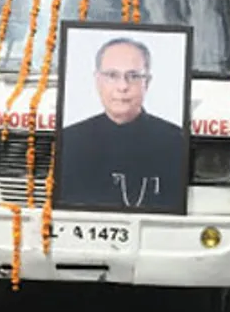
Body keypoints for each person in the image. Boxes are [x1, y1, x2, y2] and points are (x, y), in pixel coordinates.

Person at [57, 37, 185, 211]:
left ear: (147, 82)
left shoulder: (175, 141)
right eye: (112, 75)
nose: (123, 86)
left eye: (133, 76)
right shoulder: (69, 140)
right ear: (97, 81)